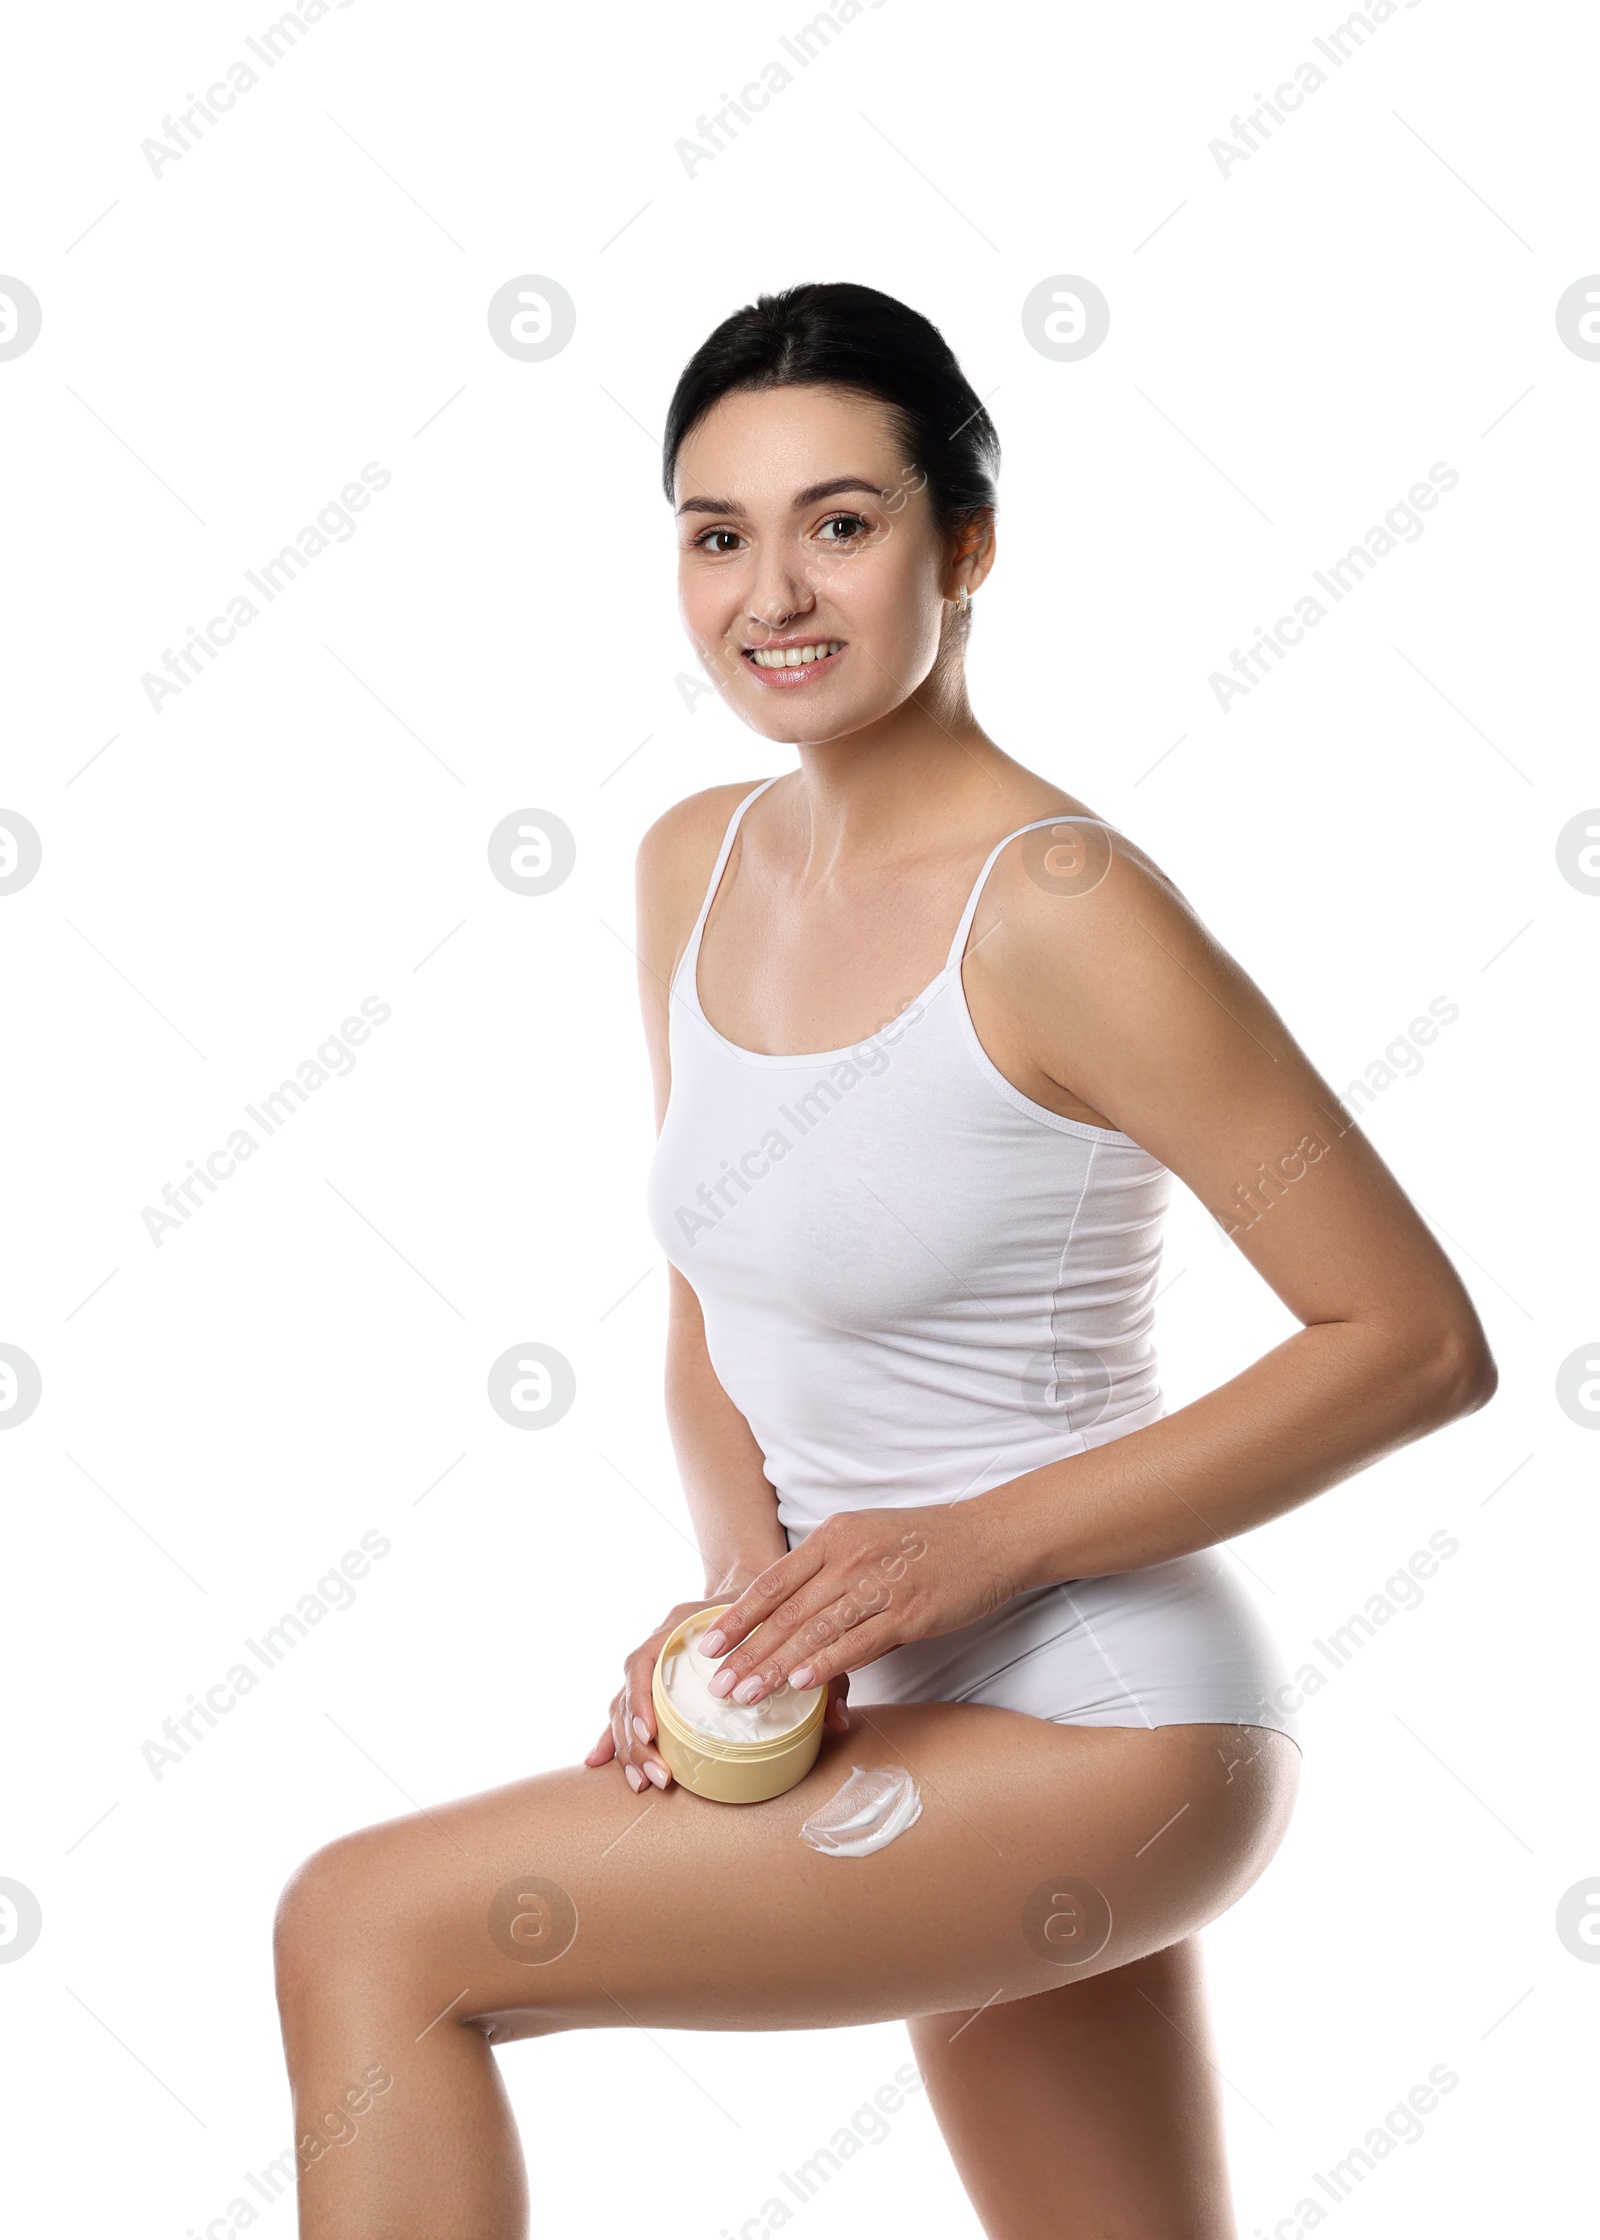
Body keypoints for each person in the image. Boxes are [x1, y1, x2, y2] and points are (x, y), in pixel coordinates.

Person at [274, 282, 1496, 2238]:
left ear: (966, 545)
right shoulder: (692, 861)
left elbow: (1411, 1341)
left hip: (1104, 1722)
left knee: (370, 1927)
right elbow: (710, 1313)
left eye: (838, 523)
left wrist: (977, 1545)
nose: (772, 589)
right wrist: (740, 1620)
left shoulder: (1062, 911)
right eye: (714, 532)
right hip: (892, 1707)